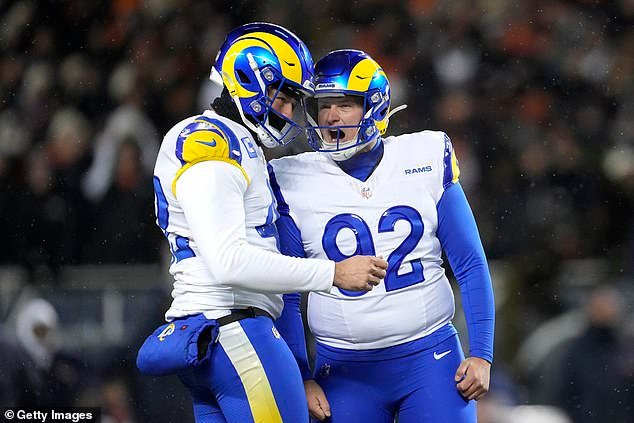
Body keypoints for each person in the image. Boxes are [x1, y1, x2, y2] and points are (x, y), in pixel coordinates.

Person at [145, 26, 387, 423]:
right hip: (237, 333)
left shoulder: (236, 140)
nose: (290, 112)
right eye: (285, 97)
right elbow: (229, 261)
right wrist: (333, 273)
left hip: (211, 336)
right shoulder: (212, 141)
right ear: (250, 80)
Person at [269, 49, 495, 422]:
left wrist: (482, 353)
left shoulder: (423, 157)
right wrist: (301, 375)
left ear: (373, 106)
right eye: (323, 106)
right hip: (344, 371)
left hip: (431, 359)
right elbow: (287, 292)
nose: (331, 116)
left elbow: (469, 262)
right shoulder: (292, 179)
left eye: (344, 104)